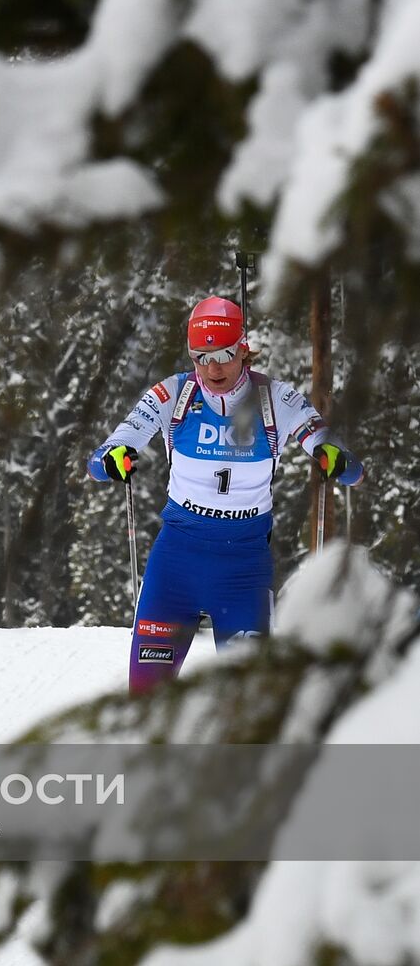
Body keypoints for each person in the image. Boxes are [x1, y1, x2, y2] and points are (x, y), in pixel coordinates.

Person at [87, 296, 365, 693]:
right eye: (201, 356)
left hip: (242, 570)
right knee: (145, 703)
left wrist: (333, 455)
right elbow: (104, 455)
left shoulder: (275, 399)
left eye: (223, 353)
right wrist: (111, 457)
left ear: (243, 350)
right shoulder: (173, 396)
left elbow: (336, 452)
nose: (212, 367)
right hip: (175, 565)